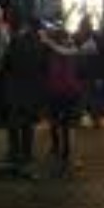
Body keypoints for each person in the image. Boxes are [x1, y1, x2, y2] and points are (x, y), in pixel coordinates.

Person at [2, 21, 46, 178]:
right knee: (28, 124)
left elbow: (5, 64)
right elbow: (43, 67)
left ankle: (14, 152)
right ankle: (27, 153)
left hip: (15, 89)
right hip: (31, 89)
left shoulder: (14, 42)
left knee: (14, 123)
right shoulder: (39, 45)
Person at [40, 29, 83, 178]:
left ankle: (63, 148)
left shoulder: (67, 51)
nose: (68, 39)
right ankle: (58, 146)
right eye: (65, 38)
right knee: (56, 121)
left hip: (67, 92)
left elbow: (65, 53)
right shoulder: (55, 53)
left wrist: (48, 41)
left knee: (63, 122)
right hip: (57, 91)